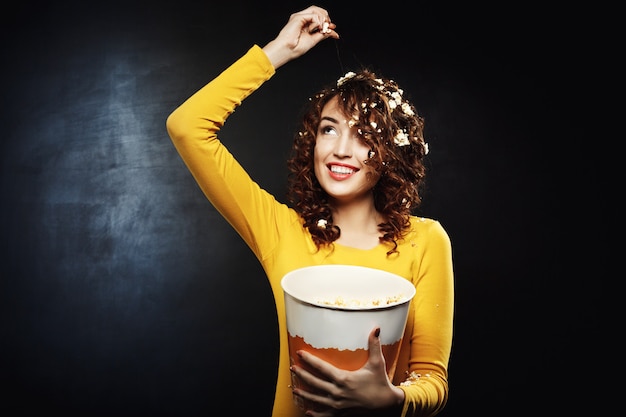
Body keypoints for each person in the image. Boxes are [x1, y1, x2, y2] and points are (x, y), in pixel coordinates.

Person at [166, 5, 454, 417]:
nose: (340, 149)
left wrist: (392, 399)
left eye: (364, 135)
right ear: (313, 141)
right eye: (329, 129)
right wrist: (277, 52)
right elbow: (187, 126)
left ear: (390, 152)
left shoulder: (425, 242)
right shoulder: (281, 231)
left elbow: (432, 380)